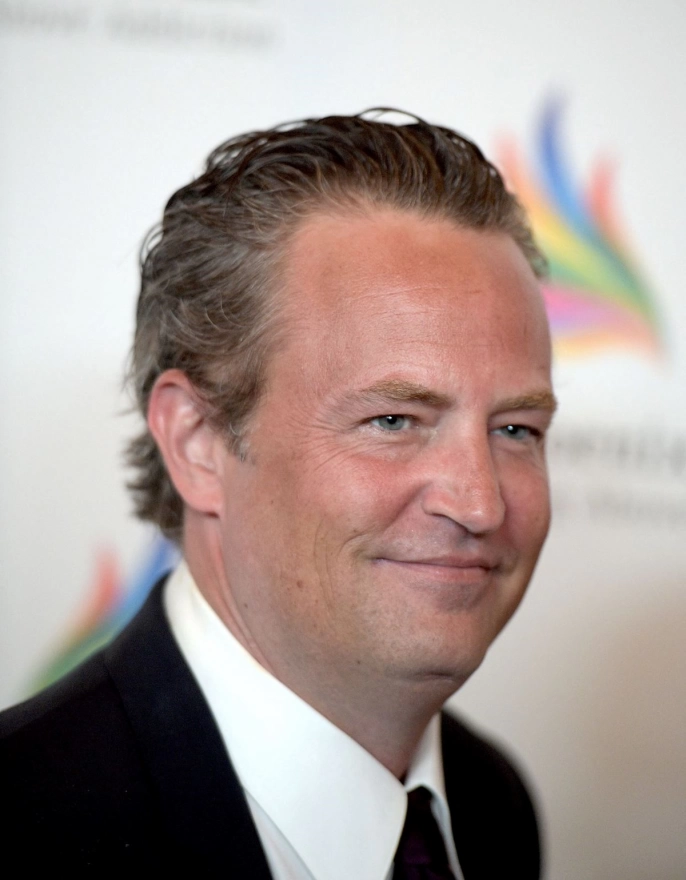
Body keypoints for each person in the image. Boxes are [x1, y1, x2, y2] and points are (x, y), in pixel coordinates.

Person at [0, 110, 556, 877]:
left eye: (517, 429)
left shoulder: (491, 802)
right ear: (197, 442)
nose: (481, 505)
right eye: (393, 420)